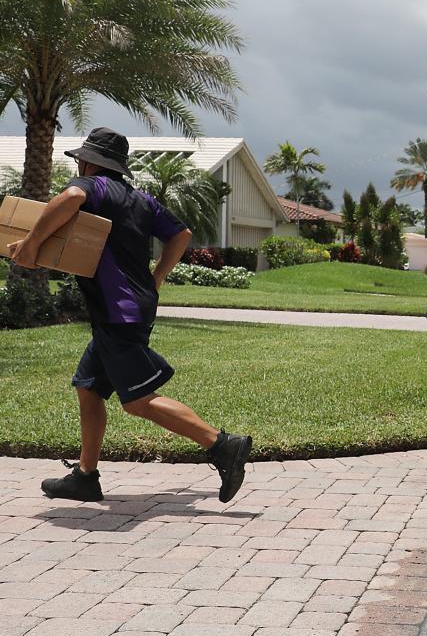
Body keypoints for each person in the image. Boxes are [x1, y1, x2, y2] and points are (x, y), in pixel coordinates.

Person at [5, 127, 253, 503]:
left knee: (138, 401)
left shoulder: (94, 187)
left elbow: (71, 196)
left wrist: (31, 244)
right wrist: (157, 277)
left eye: (80, 162)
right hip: (131, 306)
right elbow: (181, 234)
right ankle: (86, 477)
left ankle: (222, 445)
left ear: (89, 162)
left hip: (118, 311)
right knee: (88, 387)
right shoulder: (140, 199)